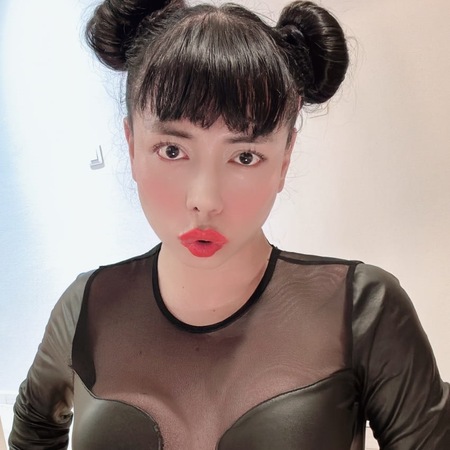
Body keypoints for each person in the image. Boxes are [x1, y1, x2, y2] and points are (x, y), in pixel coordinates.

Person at [8, 0, 450, 448]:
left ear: (285, 158)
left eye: (245, 156)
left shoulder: (361, 309)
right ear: (132, 145)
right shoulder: (87, 307)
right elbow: (33, 430)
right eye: (173, 150)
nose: (205, 200)